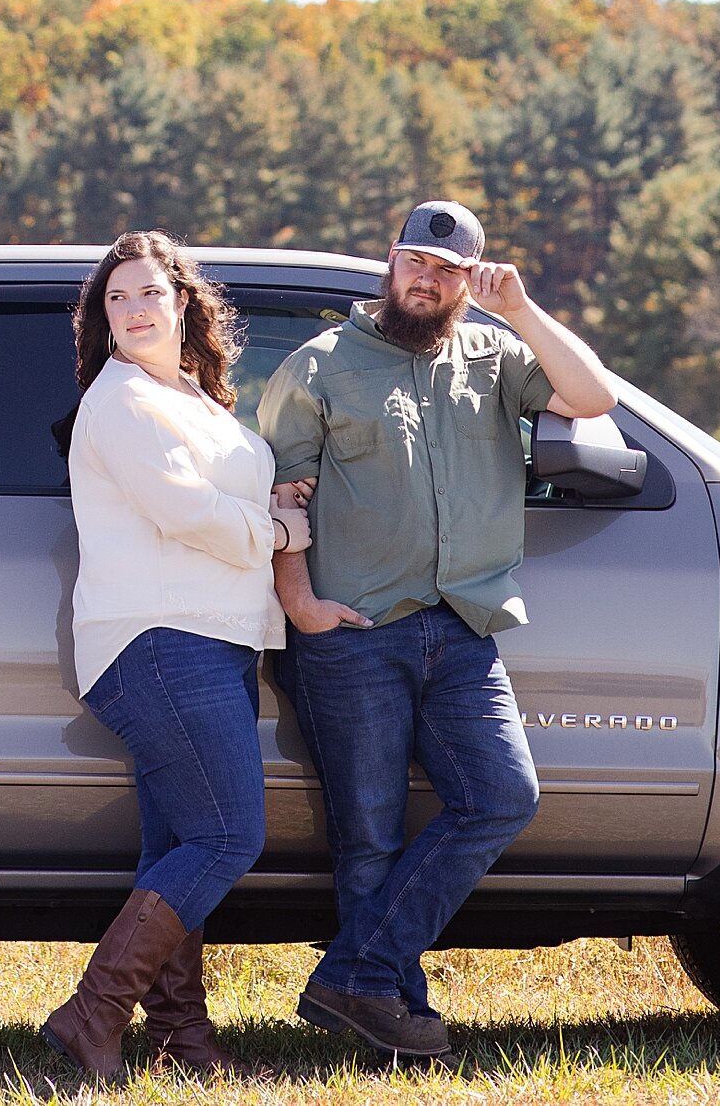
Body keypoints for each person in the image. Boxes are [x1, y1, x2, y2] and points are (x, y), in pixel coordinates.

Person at [257, 199, 617, 1066]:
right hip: (354, 632)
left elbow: (593, 396)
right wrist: (301, 606)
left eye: (449, 269)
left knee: (501, 795)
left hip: (464, 628)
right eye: (417, 260)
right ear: (390, 261)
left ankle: (356, 978)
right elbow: (278, 500)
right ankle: (390, 1017)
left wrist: (521, 309)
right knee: (369, 835)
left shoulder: (498, 358)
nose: (429, 278)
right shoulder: (321, 365)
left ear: (471, 279)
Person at [42, 229, 312, 1081]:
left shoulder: (191, 397)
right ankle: (92, 1013)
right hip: (159, 640)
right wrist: (276, 529)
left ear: (183, 302)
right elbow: (182, 510)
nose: (131, 311)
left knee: (178, 848)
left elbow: (210, 489)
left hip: (211, 638)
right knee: (230, 835)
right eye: (115, 299)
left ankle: (183, 1044)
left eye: (147, 294)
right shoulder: (119, 400)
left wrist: (271, 493)